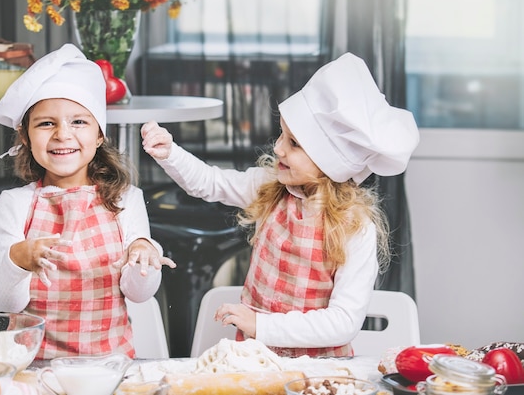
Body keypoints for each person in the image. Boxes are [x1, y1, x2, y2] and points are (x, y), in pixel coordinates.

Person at [141, 52, 420, 357]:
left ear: (330, 162)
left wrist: (261, 325)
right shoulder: (269, 187)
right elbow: (210, 183)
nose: (278, 148)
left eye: (294, 143)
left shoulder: (354, 228)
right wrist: (170, 153)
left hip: (319, 373)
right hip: (256, 360)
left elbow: (344, 322)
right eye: (282, 135)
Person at [0, 43, 175, 360]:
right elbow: (6, 304)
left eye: (79, 122)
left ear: (99, 134)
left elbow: (139, 294)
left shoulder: (126, 199)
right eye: (46, 123)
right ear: (25, 136)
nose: (62, 134)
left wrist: (145, 254)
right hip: (34, 367)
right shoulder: (14, 205)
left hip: (111, 366)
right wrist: (18, 260)